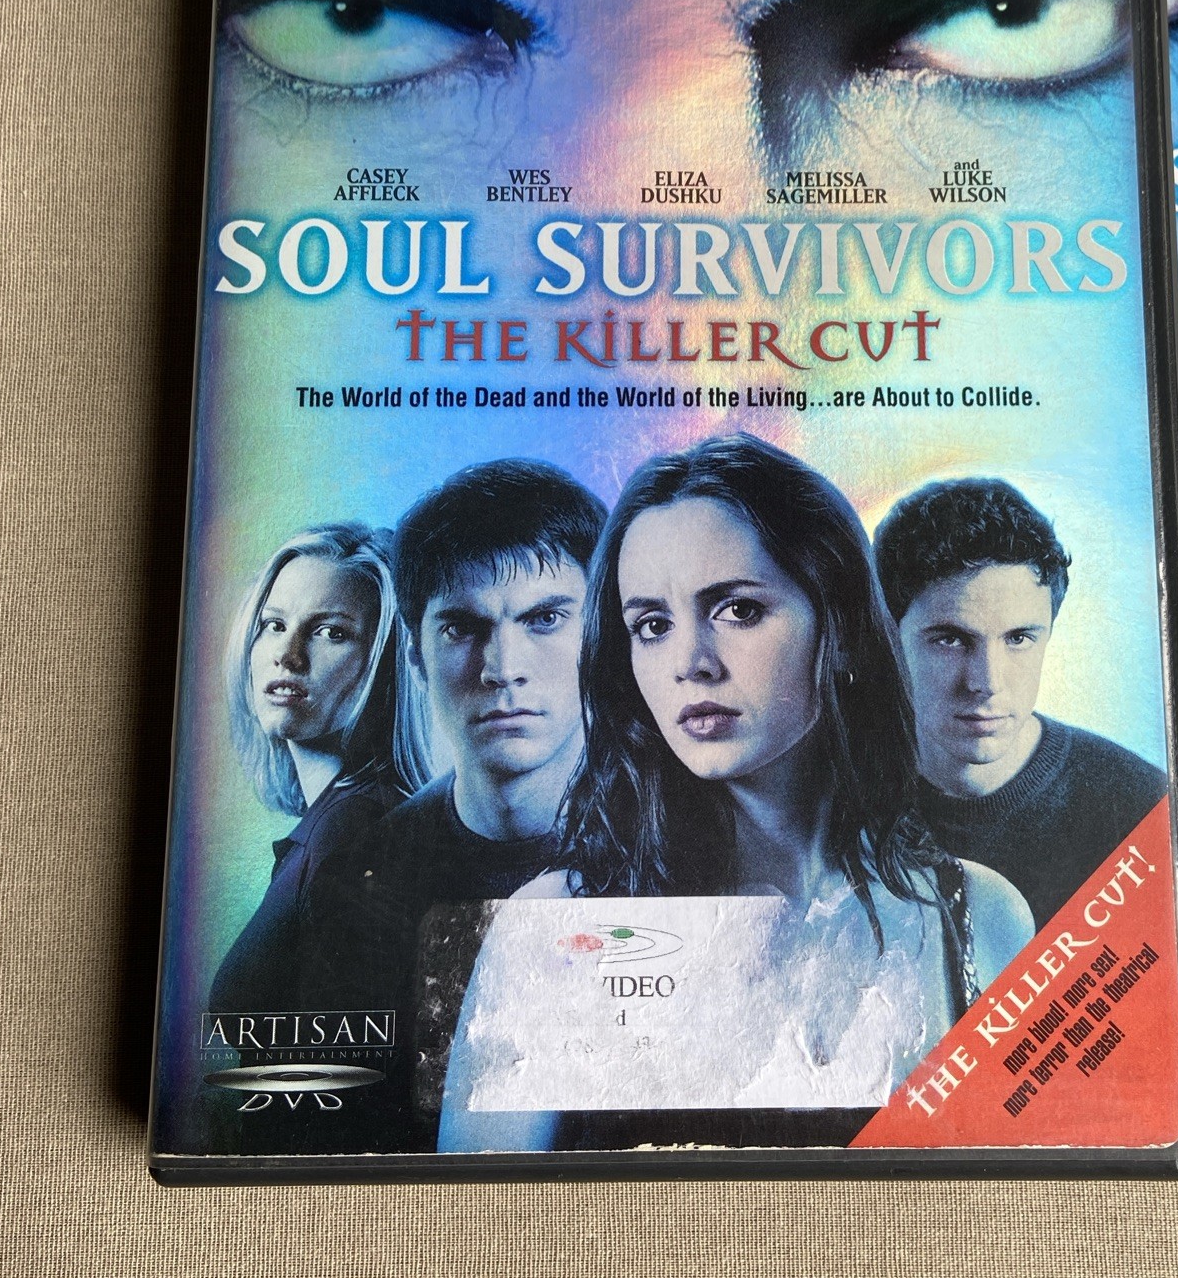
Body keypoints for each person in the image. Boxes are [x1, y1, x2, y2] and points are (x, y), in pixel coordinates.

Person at [437, 435, 1033, 1153]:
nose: (690, 663)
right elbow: (482, 1211)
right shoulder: (557, 931)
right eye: (652, 626)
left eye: (738, 610)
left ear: (841, 625)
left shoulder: (980, 917)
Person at [305, 459, 607, 1147]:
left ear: (601, 639)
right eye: (461, 628)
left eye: (545, 619)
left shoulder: (695, 845)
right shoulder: (356, 890)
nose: (503, 668)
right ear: (415, 656)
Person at [874, 478, 1168, 930]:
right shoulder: (828, 802)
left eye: (1018, 639)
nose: (987, 683)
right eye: (950, 639)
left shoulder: (1144, 812)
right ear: (889, 638)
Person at [209, 522, 426, 1014]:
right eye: (274, 625)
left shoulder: (351, 831)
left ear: (388, 661)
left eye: (331, 632)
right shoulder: (343, 819)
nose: (287, 656)